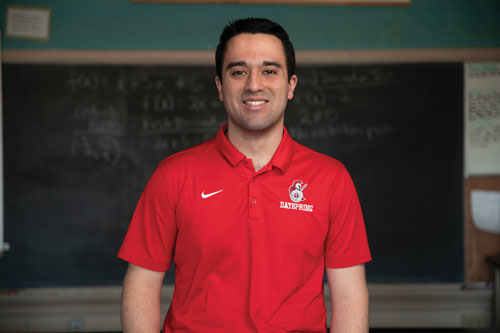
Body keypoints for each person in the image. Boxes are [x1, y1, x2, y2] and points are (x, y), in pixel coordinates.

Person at [118, 17, 371, 333]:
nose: (254, 84)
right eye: (238, 72)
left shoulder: (332, 179)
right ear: (220, 87)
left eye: (269, 71)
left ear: (290, 85)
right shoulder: (173, 175)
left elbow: (349, 295)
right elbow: (142, 283)